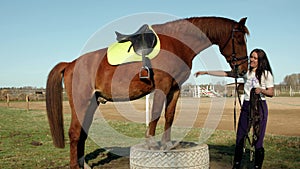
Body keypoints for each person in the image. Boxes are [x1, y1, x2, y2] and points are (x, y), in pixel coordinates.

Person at [195, 48, 274, 169]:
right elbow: (227, 73)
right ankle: (236, 165)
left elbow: (271, 92)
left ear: (260, 60)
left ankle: (257, 166)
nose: (251, 60)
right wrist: (206, 72)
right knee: (240, 136)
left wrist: (261, 90)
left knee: (258, 139)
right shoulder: (245, 72)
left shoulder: (266, 74)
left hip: (260, 106)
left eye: (255, 58)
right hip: (247, 106)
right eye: (251, 57)